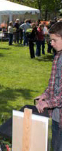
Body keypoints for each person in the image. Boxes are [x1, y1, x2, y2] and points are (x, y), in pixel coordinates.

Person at [35, 22, 62, 151]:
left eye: (54, 40)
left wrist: (48, 103)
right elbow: (54, 83)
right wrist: (45, 95)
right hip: (57, 116)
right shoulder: (57, 56)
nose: (51, 43)